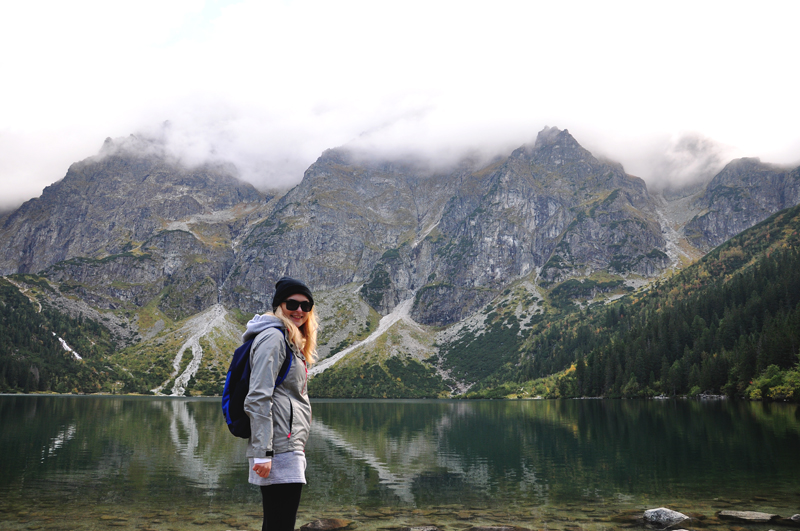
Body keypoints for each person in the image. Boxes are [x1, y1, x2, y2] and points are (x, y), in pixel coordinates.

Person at [243, 277, 317, 531]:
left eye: (306, 306)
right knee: (280, 521)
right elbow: (258, 396)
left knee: (279, 521)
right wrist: (262, 452)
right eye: (292, 303)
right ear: (278, 305)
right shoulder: (274, 338)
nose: (299, 310)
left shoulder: (289, 341)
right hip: (276, 446)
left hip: (286, 444)